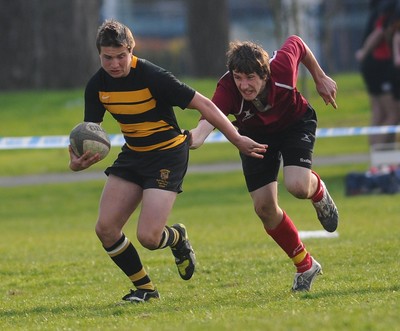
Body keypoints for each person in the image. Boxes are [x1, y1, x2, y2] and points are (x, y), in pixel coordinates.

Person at [68, 19, 267, 303]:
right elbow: (90, 134)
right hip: (134, 154)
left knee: (149, 237)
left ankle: (177, 238)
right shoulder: (97, 86)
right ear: (99, 54)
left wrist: (236, 138)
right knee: (106, 229)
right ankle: (146, 289)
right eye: (107, 57)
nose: (114, 64)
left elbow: (205, 105)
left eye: (121, 56)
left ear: (131, 50)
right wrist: (78, 160)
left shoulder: (151, 75)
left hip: (167, 153)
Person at [190, 35, 339, 291]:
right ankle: (305, 265)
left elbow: (298, 43)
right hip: (256, 137)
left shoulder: (280, 67)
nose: (244, 85)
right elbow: (209, 119)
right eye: (238, 77)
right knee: (264, 208)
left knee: (297, 186)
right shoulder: (227, 88)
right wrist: (193, 139)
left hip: (294, 123)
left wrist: (319, 77)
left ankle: (319, 192)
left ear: (265, 73)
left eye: (250, 78)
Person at [355, 0, 400, 148]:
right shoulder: (390, 7)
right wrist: (364, 52)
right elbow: (379, 32)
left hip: (371, 66)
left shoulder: (381, 6)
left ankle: (385, 163)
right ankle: (378, 159)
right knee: (393, 113)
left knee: (379, 113)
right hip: (380, 65)